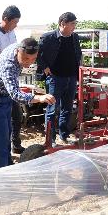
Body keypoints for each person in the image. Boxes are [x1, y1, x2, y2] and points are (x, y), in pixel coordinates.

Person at [0, 38, 55, 168]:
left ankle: (8, 164)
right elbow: (15, 94)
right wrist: (39, 98)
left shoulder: (20, 46)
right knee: (1, 137)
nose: (29, 63)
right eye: (26, 59)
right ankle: (1, 171)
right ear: (18, 51)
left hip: (4, 97)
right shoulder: (9, 65)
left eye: (33, 59)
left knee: (8, 132)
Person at [37, 12, 82, 146]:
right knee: (52, 109)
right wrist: (45, 67)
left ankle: (64, 135)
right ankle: (50, 140)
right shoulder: (48, 37)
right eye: (72, 24)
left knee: (67, 108)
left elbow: (77, 54)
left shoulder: (74, 37)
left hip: (71, 77)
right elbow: (38, 55)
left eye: (75, 23)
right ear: (63, 24)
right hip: (55, 78)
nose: (74, 26)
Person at [0, 5, 25, 154]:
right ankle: (5, 150)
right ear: (5, 19)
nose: (16, 25)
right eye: (14, 22)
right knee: (5, 119)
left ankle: (15, 144)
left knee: (17, 116)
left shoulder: (12, 32)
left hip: (13, 78)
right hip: (2, 81)